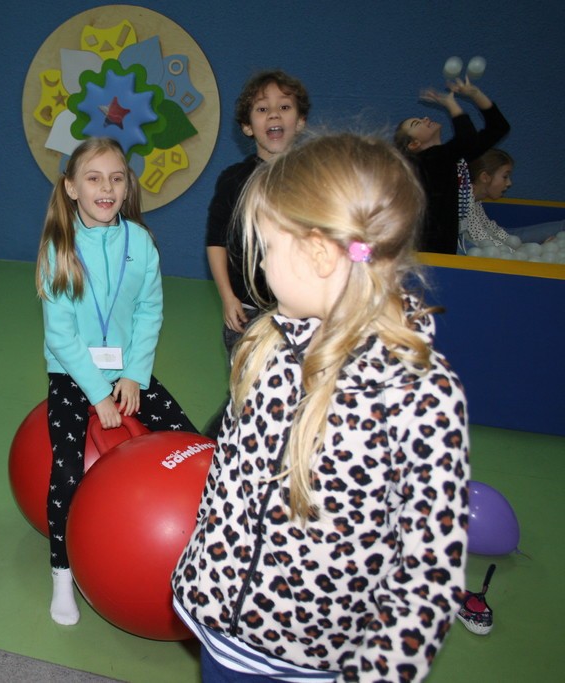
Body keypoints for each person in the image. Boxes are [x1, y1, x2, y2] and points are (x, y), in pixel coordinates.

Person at [172, 133, 470, 681]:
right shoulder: (265, 346)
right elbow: (227, 478)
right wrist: (201, 572)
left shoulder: (420, 395)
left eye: (266, 247)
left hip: (309, 657)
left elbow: (428, 573)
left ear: (317, 253)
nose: (260, 263)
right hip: (219, 629)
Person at [36, 137, 198, 626]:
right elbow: (61, 335)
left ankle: (205, 548)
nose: (106, 188)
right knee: (68, 470)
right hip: (73, 375)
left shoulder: (140, 242)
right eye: (93, 178)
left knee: (190, 442)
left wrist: (133, 375)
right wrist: (98, 393)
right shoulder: (59, 247)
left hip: (128, 372)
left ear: (127, 187)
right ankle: (61, 570)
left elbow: (150, 311)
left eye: (116, 178)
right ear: (71, 188)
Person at [203, 70, 309, 434]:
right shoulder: (234, 179)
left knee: (296, 395)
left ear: (300, 120)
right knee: (247, 394)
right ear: (248, 127)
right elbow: (216, 241)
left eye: (285, 107)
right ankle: (216, 448)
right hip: (247, 312)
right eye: (263, 109)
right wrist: (227, 297)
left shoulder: (315, 177)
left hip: (302, 312)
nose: (274, 114)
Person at [394, 76, 509, 254]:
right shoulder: (423, 163)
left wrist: (476, 94)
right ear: (414, 144)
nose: (425, 118)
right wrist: (451, 104)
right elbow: (466, 139)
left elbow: (499, 128)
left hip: (444, 251)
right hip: (427, 255)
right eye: (417, 123)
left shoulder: (450, 157)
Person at [461, 148, 562, 252]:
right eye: (505, 177)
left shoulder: (475, 198)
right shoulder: (464, 199)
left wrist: (526, 247)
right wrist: (535, 250)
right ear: (485, 177)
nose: (509, 183)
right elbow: (480, 238)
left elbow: (491, 230)